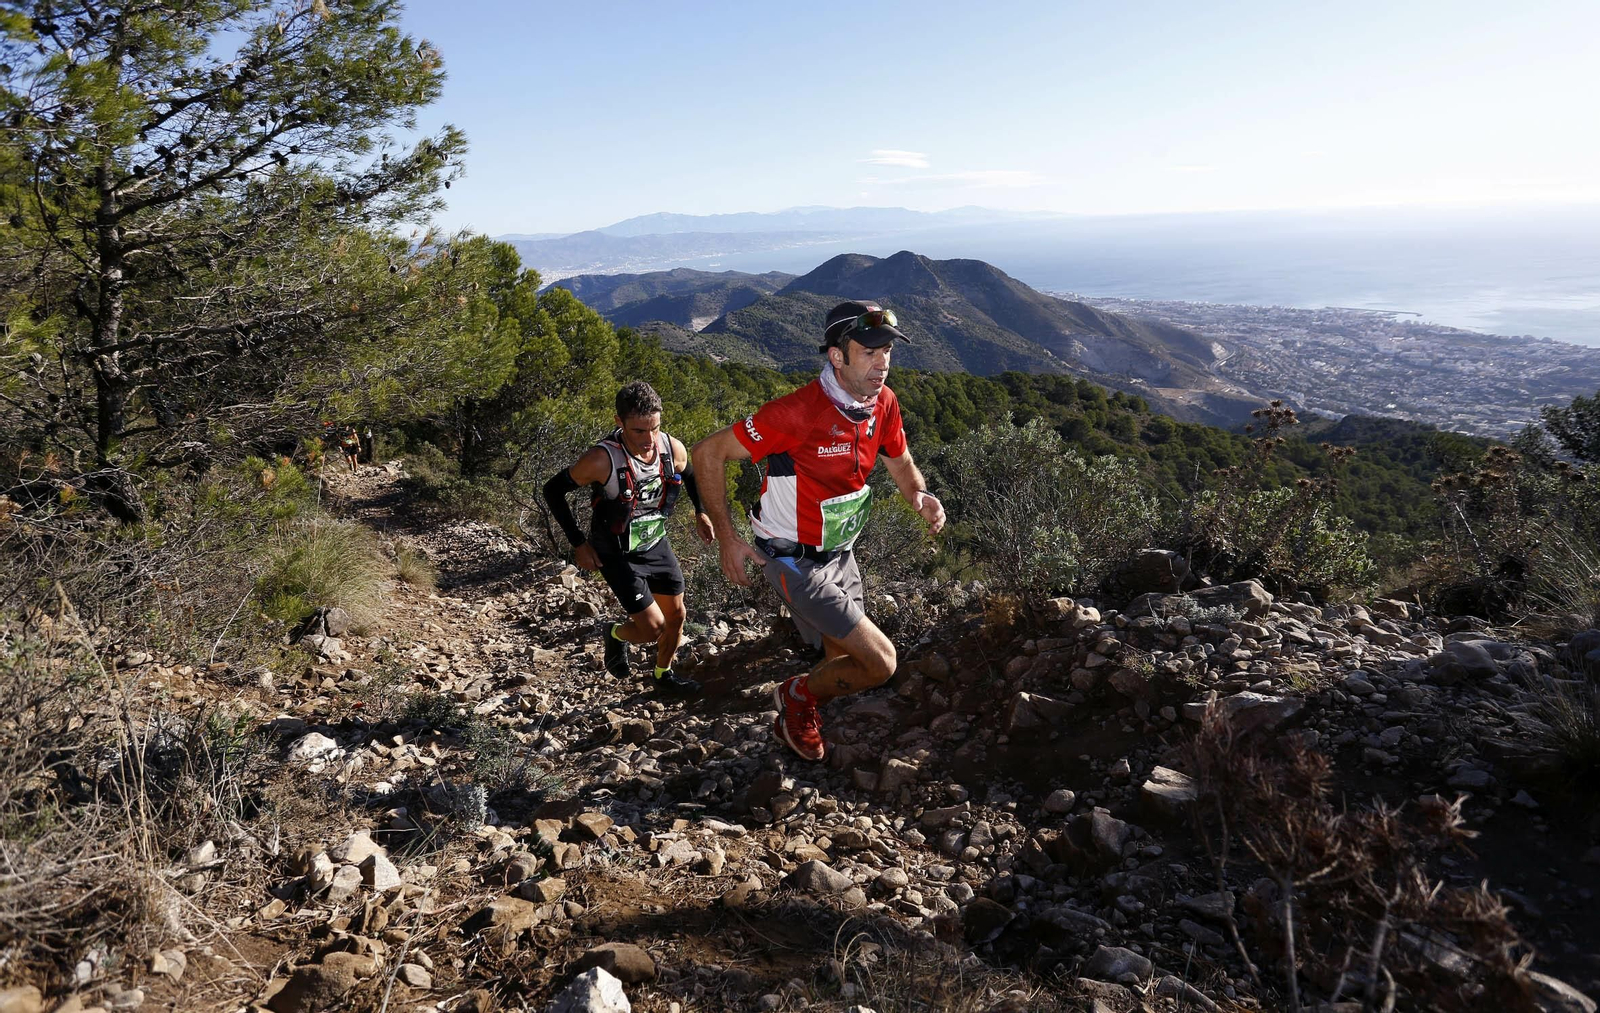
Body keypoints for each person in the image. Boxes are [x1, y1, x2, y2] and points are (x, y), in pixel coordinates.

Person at [692, 301, 945, 760]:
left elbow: (899, 458)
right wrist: (728, 538)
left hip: (840, 553)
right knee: (880, 662)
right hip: (792, 560)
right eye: (868, 351)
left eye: (886, 350)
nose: (882, 361)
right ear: (836, 356)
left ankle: (805, 706)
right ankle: (795, 698)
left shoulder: (882, 403)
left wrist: (918, 495)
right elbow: (708, 452)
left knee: (838, 660)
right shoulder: (797, 413)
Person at [542, 381, 714, 696]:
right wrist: (579, 543)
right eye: (639, 431)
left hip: (655, 542)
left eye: (655, 428)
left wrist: (700, 512)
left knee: (676, 616)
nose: (650, 440)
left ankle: (663, 675)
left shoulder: (671, 447)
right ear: (619, 423)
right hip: (616, 550)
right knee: (652, 628)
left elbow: (688, 474)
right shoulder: (601, 459)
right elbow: (552, 490)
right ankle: (616, 634)